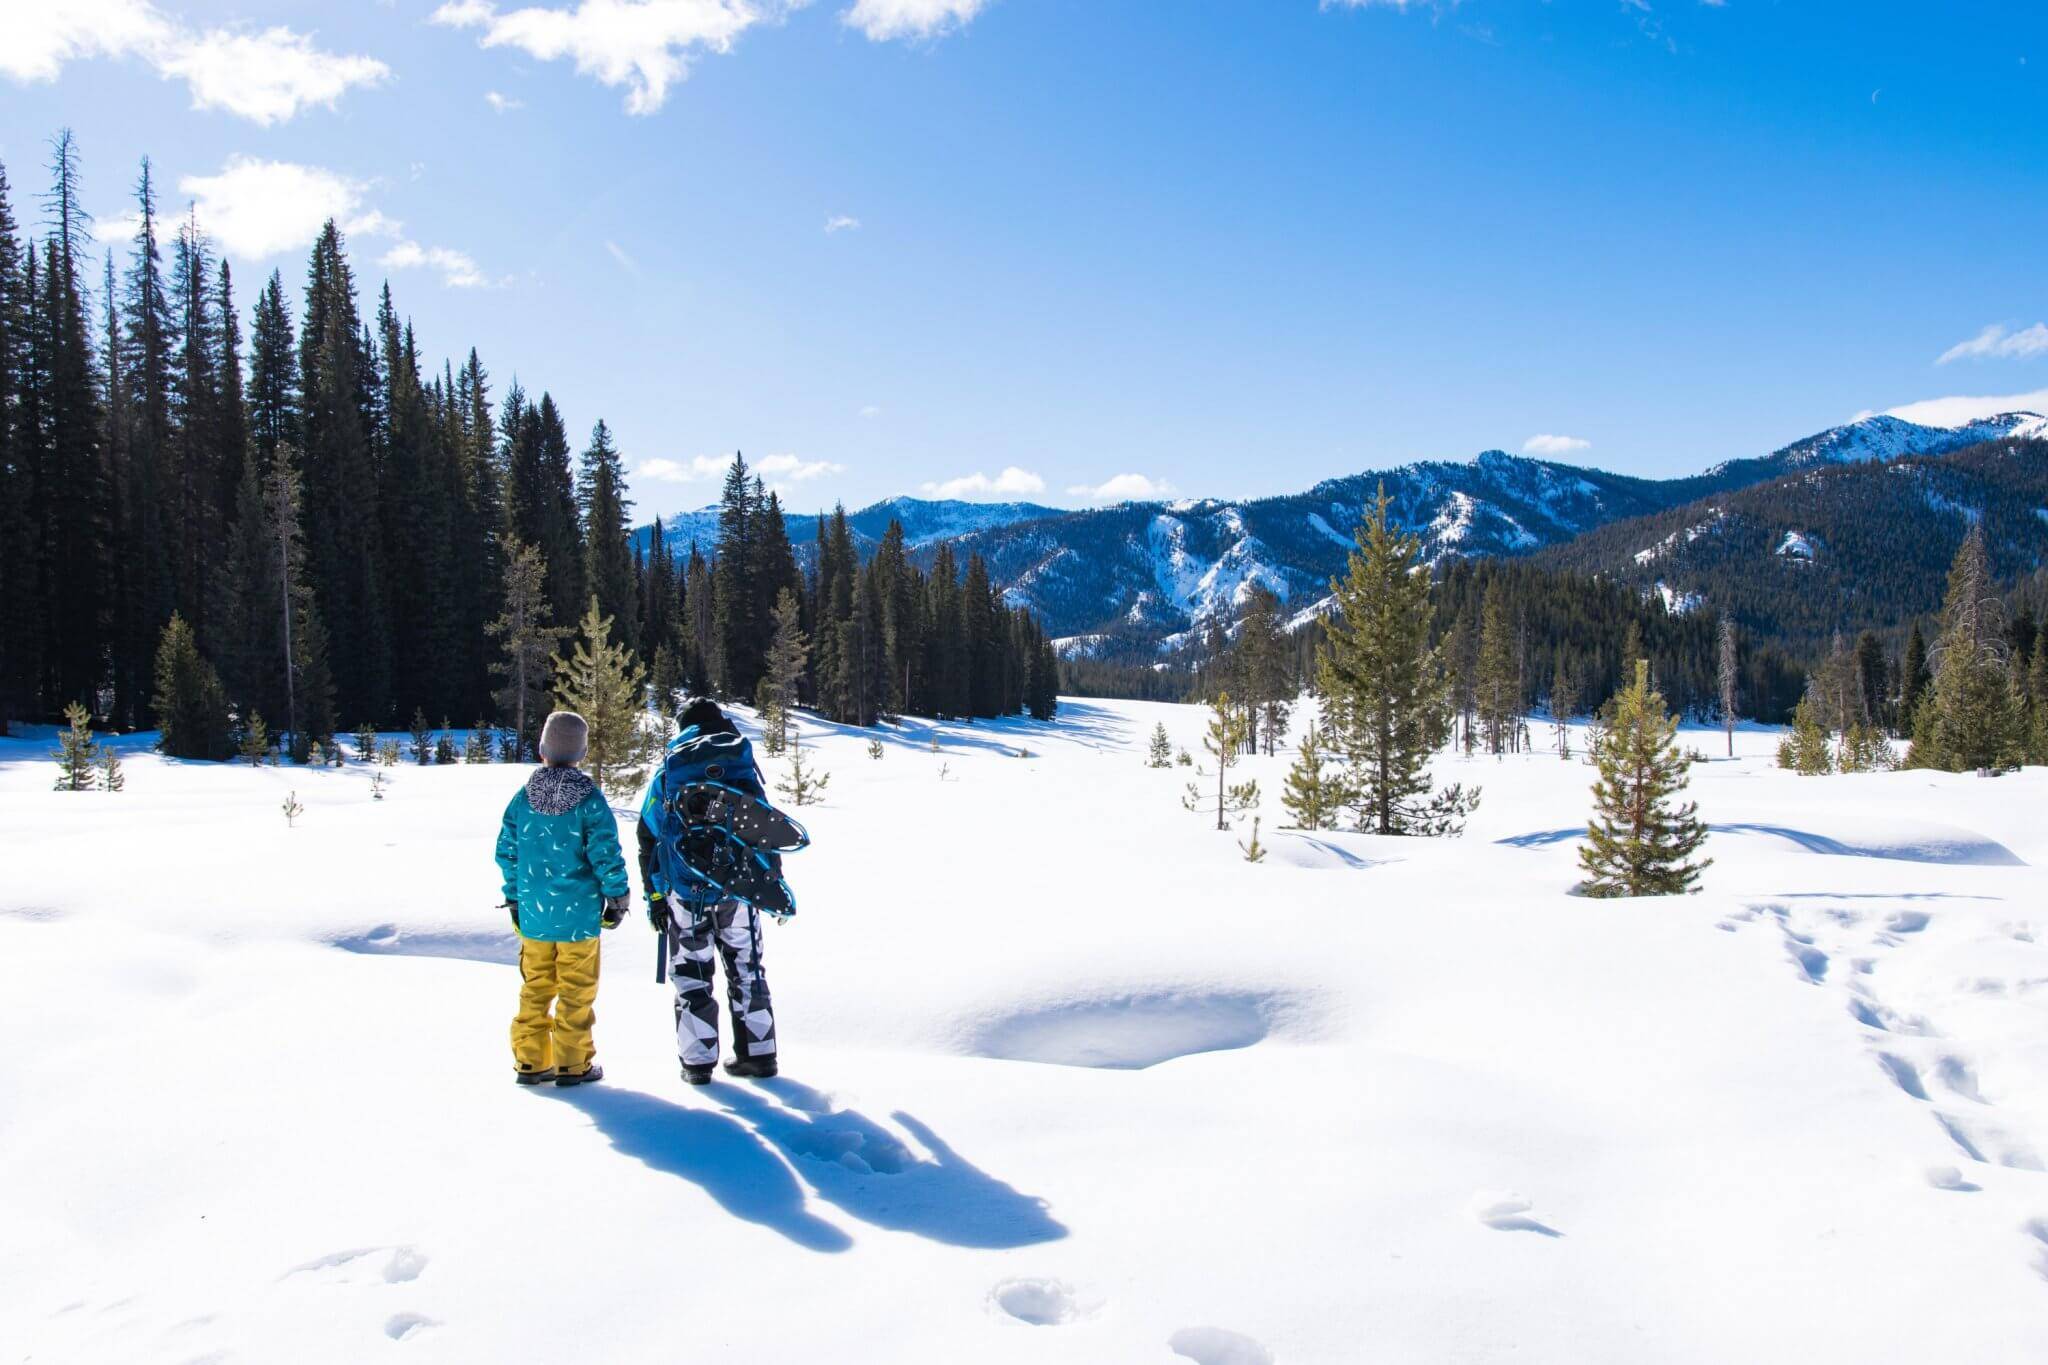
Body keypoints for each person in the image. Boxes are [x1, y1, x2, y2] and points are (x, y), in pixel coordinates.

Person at [638, 699, 781, 1086]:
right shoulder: (739, 763)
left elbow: (648, 834)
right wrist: (771, 882)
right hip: (739, 887)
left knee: (691, 973)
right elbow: (764, 826)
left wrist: (654, 897)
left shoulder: (672, 767)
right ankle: (759, 1055)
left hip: (684, 890)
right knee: (748, 968)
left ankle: (698, 1064)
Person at [497, 710, 630, 1087]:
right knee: (576, 990)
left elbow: (507, 852)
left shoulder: (523, 800)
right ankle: (573, 1063)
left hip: (535, 916)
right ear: (580, 753)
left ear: (543, 750)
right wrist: (617, 895)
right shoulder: (590, 800)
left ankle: (531, 1060)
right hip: (579, 916)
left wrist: (514, 898)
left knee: (536, 985)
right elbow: (606, 853)